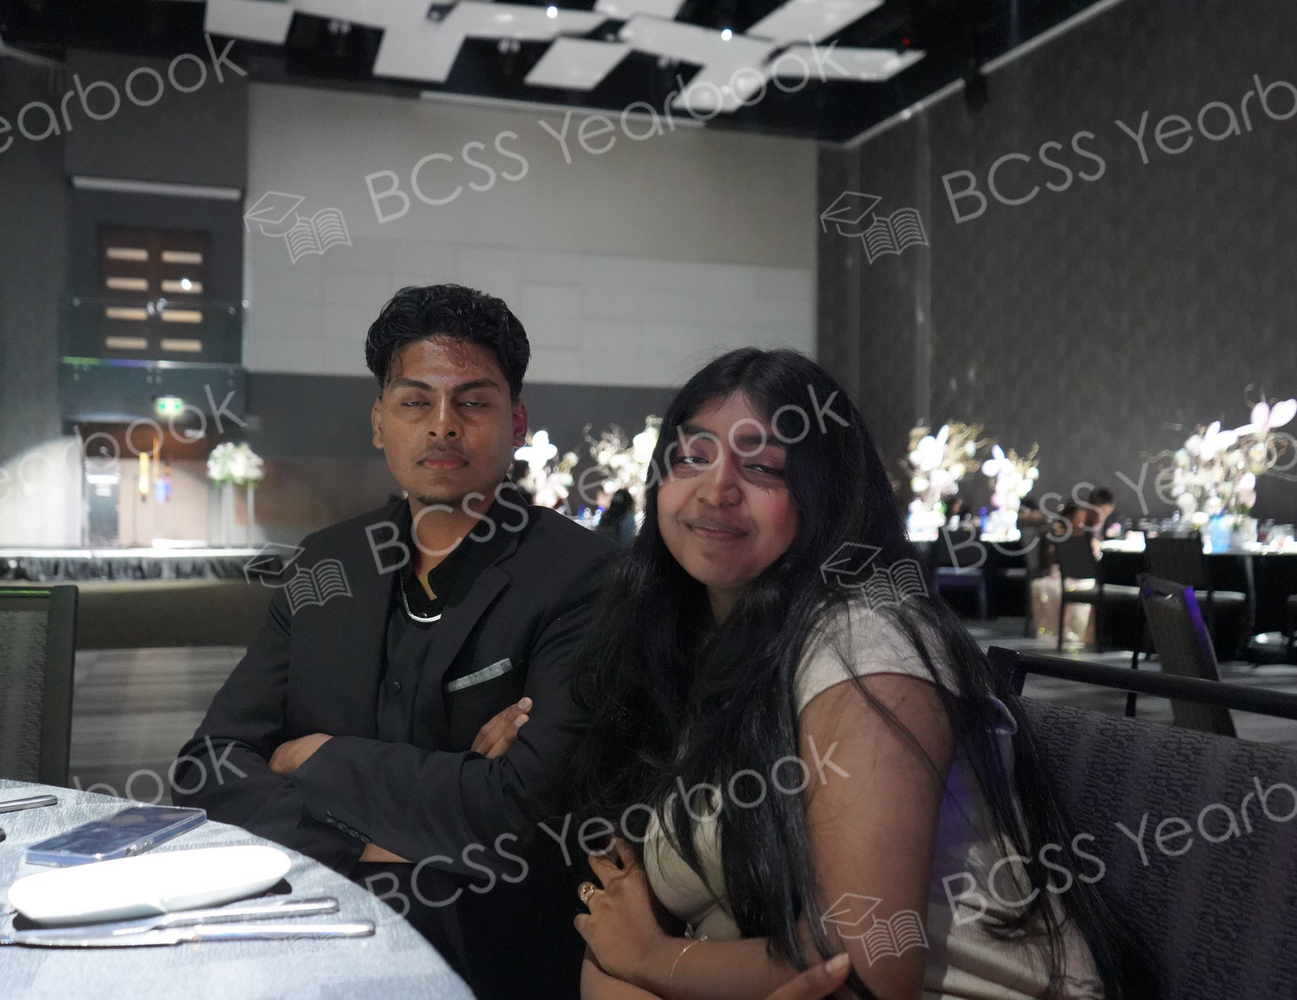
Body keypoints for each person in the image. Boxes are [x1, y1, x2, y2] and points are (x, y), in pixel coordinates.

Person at [558, 349, 1147, 1000]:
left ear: (826, 497)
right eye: (692, 457)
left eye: (763, 468)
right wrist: (633, 956)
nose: (715, 489)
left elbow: (867, 962)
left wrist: (652, 959)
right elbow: (617, 937)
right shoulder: (696, 648)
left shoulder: (862, 640)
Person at [171, 284, 618, 1000]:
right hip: (306, 931)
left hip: (486, 955)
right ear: (380, 422)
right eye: (415, 402)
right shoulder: (327, 565)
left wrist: (314, 757)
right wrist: (366, 845)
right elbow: (207, 768)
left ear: (515, 421)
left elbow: (521, 813)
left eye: (473, 402)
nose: (444, 425)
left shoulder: (582, 576)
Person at [1028, 487, 1117, 643]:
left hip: (1073, 577)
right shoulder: (1066, 537)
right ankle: (1075, 633)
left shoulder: (1089, 533)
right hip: (1071, 577)